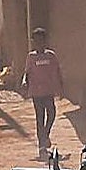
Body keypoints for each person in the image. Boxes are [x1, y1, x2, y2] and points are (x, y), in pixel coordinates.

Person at [22, 28, 64, 161]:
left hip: (48, 90)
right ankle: (42, 145)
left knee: (51, 113)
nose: (39, 43)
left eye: (41, 40)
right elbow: (27, 73)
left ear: (45, 42)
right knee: (40, 117)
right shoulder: (31, 57)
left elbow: (58, 72)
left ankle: (45, 135)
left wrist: (61, 88)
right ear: (33, 42)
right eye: (36, 41)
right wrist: (24, 82)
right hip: (36, 91)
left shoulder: (51, 56)